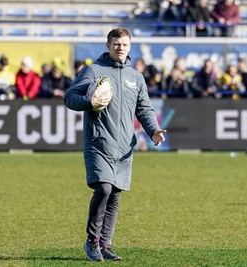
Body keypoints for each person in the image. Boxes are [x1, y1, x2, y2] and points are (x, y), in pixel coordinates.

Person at [64, 28, 166, 262]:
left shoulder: (135, 77)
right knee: (104, 189)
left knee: (115, 195)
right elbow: (70, 97)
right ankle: (92, 242)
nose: (121, 48)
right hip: (98, 142)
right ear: (108, 45)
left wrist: (153, 131)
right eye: (116, 43)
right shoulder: (93, 71)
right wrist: (89, 101)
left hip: (124, 146)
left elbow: (144, 109)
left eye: (125, 44)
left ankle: (105, 245)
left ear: (130, 46)